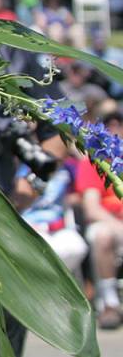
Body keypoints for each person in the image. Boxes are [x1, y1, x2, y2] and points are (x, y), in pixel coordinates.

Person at [75, 110, 123, 329]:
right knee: (102, 235)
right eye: (109, 125)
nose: (116, 130)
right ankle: (109, 304)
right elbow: (92, 208)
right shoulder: (93, 160)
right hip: (109, 224)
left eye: (119, 124)